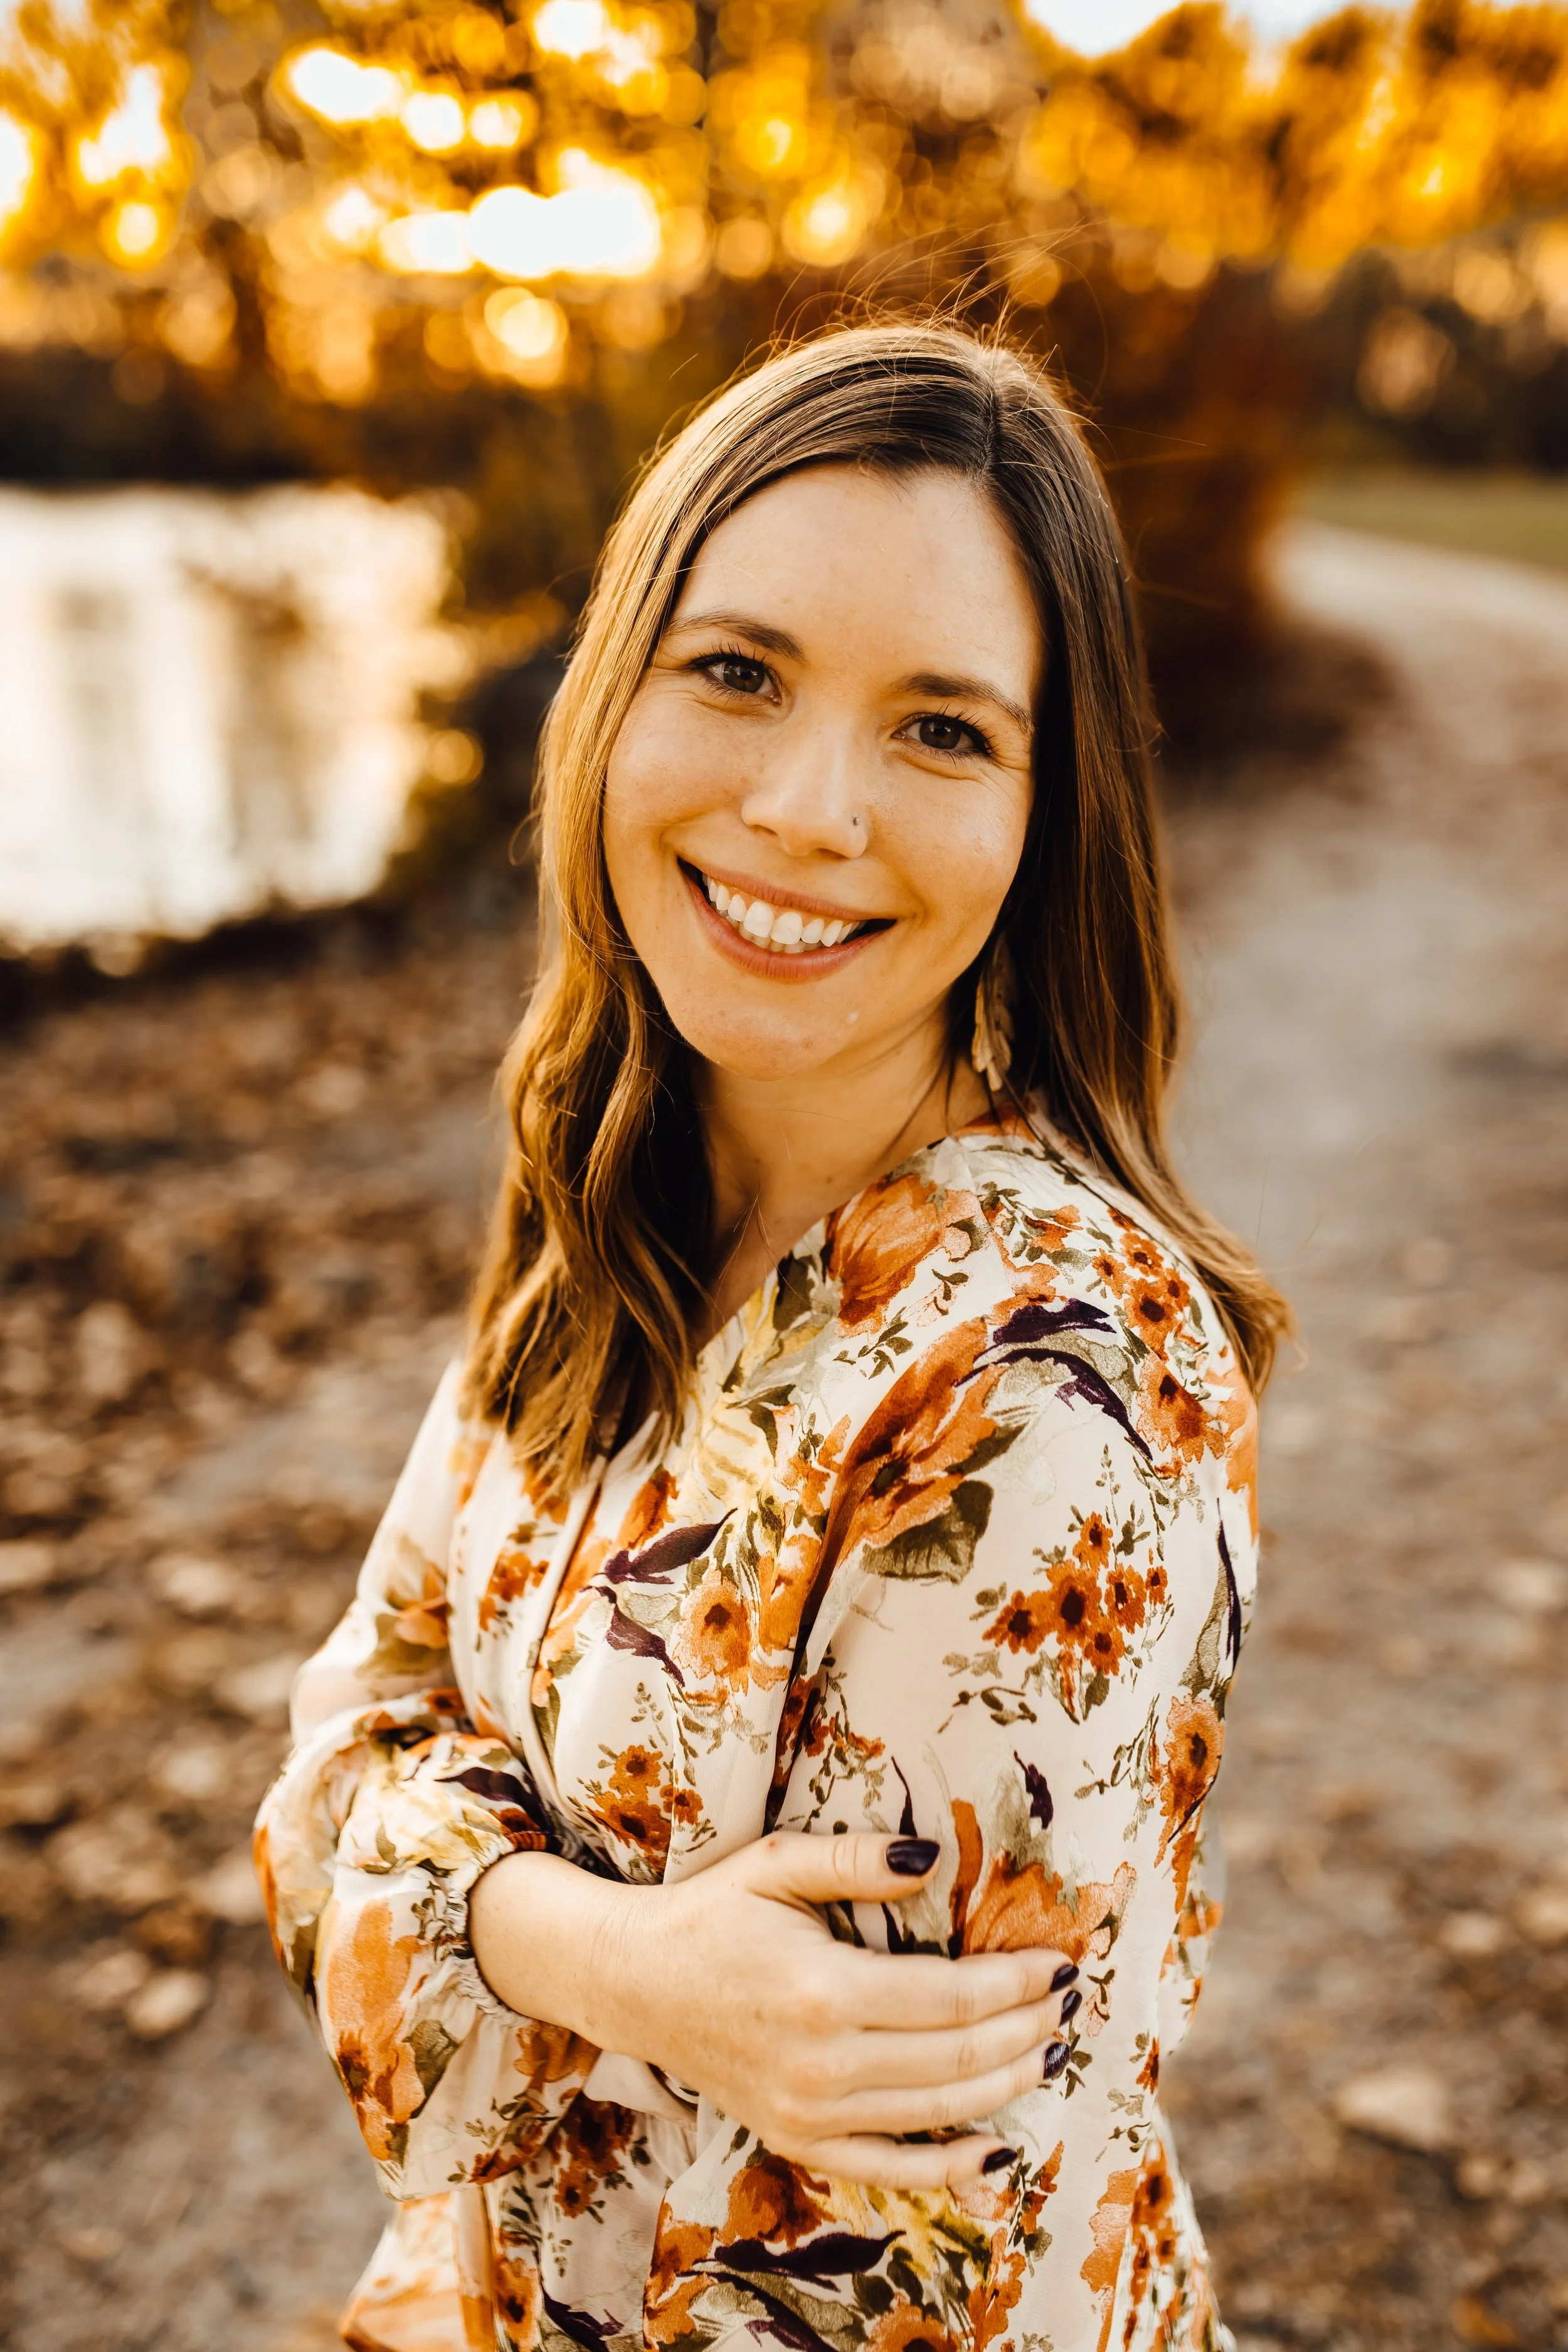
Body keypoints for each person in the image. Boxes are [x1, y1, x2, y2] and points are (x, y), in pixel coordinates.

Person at [255, 321, 1288, 2352]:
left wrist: (457, 1902)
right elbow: (322, 1775)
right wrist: (617, 1960)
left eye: (941, 729)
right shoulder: (607, 1186)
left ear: (1042, 807)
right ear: (614, 687)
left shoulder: (1061, 1381)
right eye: (735, 671)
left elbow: (859, 2256)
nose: (808, 809)